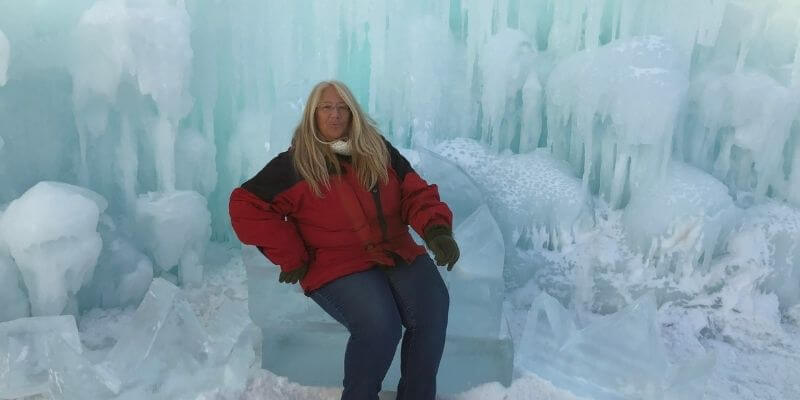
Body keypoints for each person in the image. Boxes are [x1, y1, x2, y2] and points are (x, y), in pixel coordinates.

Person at [228, 80, 460, 400]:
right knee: (380, 326)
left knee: (433, 307)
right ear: (313, 114)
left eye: (342, 108)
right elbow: (245, 205)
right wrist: (291, 253)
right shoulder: (295, 164)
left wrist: (436, 229)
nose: (335, 115)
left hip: (394, 248)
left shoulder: (378, 150)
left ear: (353, 114)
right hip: (336, 262)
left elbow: (413, 191)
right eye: (326, 108)